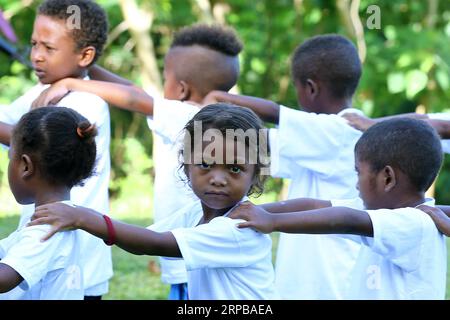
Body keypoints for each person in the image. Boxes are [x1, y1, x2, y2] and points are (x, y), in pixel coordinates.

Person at [30, 23, 243, 299]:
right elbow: (134, 90)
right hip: (192, 257)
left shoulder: (186, 118)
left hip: (188, 258)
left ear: (181, 89)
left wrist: (71, 81)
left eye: (165, 76)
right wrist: (87, 68)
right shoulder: (217, 125)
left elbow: (134, 98)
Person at [29, 104, 278, 300]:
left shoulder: (236, 227)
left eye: (234, 168)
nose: (218, 179)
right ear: (186, 163)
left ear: (255, 173)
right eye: (205, 164)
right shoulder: (197, 213)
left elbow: (153, 243)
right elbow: (144, 236)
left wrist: (83, 218)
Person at [202, 34, 365, 299]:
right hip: (312, 280)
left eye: (297, 88)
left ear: (311, 88)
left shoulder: (339, 131)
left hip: (330, 284)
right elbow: (254, 145)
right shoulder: (313, 143)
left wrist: (220, 99)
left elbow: (275, 113)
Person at [230, 118, 447, 299]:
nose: (356, 184)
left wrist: (273, 222)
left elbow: (347, 220)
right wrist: (254, 210)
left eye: (358, 173)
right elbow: (314, 204)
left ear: (387, 178)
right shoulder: (385, 211)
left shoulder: (415, 223)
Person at [0, 0, 112, 299]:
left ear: (85, 55)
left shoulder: (86, 102)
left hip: (81, 263)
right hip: (38, 242)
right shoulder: (41, 92)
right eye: (34, 44)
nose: (36, 55)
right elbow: (7, 121)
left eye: (48, 48)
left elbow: (26, 136)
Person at [0, 106, 98, 300]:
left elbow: (3, 280)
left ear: (26, 166)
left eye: (10, 158)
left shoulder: (47, 228)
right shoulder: (59, 217)